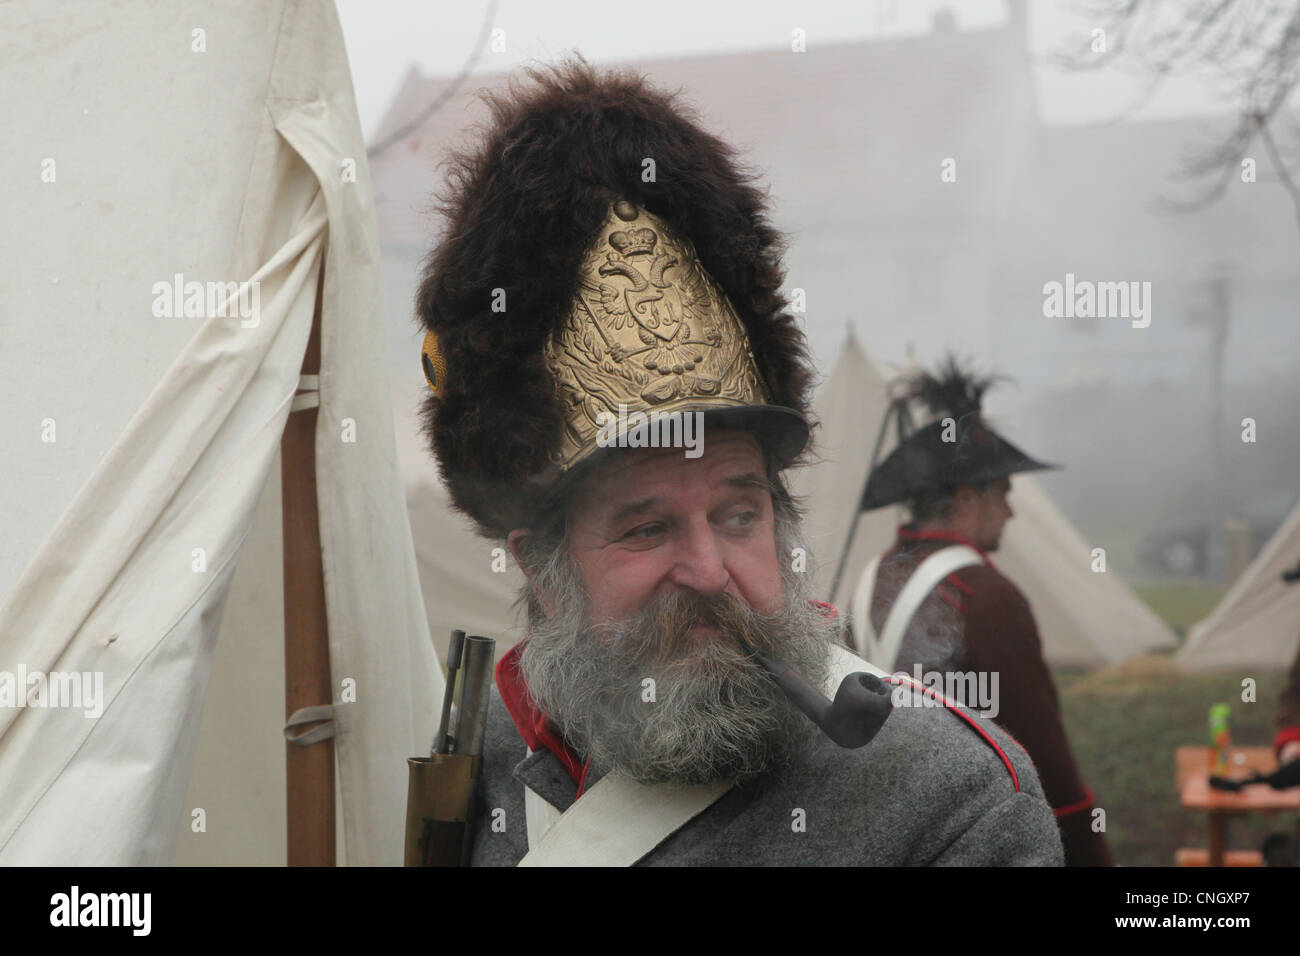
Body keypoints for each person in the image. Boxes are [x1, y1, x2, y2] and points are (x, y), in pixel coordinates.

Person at [415, 57, 1063, 866]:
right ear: (543, 572)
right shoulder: (484, 750)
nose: (710, 570)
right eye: (648, 528)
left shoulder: (949, 805)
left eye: (738, 514)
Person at [848, 359, 1114, 867]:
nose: (1012, 511)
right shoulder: (985, 596)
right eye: (1004, 493)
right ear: (968, 498)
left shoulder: (874, 577)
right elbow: (1046, 767)